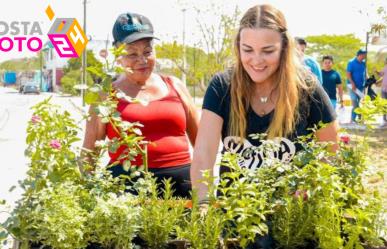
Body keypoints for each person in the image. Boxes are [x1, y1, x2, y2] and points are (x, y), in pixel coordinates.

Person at [191, 4, 338, 248]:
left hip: (291, 219)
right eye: (247, 49)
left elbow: (331, 152)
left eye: (268, 51)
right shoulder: (221, 86)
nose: (256, 61)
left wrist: (311, 187)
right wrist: (203, 205)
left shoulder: (307, 88)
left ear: (284, 48)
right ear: (238, 46)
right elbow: (204, 154)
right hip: (237, 215)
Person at [82, 12, 199, 198]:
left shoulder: (175, 85)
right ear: (117, 54)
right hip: (126, 196)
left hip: (182, 191)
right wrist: (87, 196)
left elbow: (201, 143)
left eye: (147, 51)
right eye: (132, 54)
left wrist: (205, 190)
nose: (142, 60)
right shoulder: (105, 94)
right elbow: (89, 152)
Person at [346, 49, 367, 123]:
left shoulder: (364, 63)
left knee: (358, 102)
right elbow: (348, 74)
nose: (365, 56)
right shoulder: (351, 62)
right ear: (360, 55)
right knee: (354, 101)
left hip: (361, 86)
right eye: (364, 55)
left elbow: (364, 72)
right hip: (352, 86)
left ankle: (353, 119)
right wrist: (352, 83)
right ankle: (359, 115)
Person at [376, 57, 387, 126]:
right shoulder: (385, 67)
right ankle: (384, 120)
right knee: (384, 105)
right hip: (384, 89)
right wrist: (377, 72)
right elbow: (381, 75)